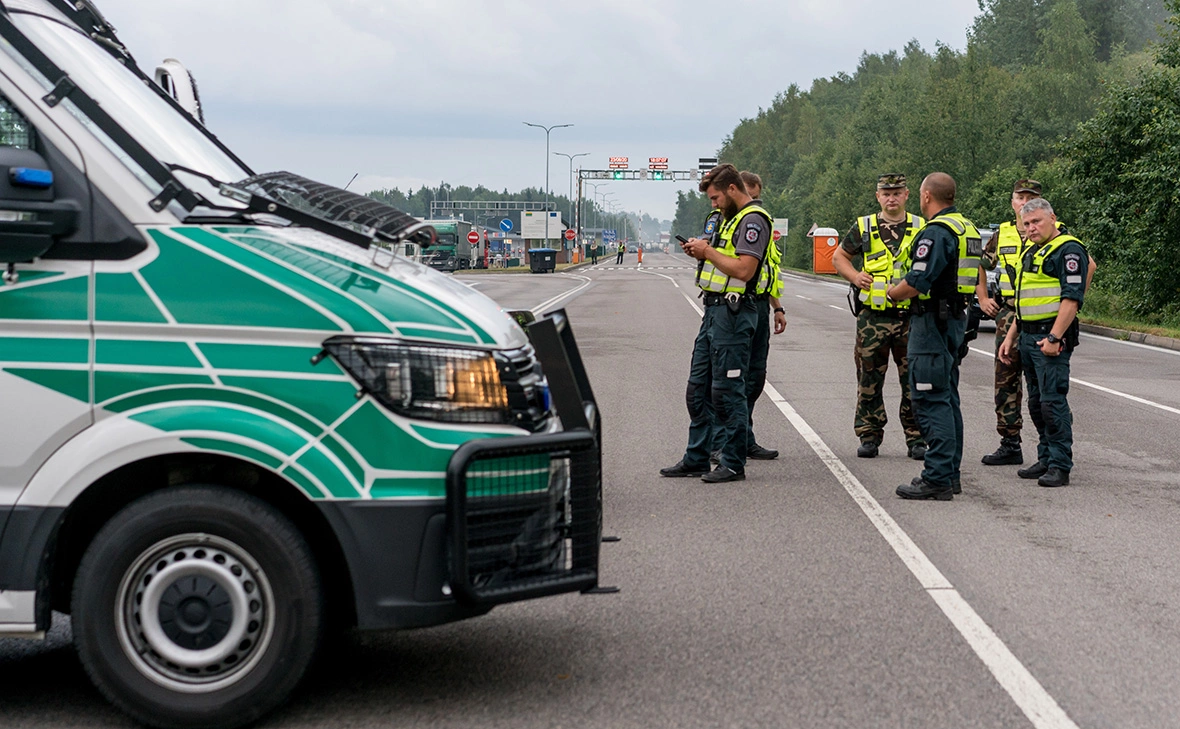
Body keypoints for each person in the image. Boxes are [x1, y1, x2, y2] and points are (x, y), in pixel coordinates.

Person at [660, 163, 771, 483]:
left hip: (734, 316)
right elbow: (721, 262)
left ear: (733, 190)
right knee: (698, 390)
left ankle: (733, 462)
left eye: (715, 198)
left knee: (727, 392)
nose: (714, 204)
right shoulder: (729, 219)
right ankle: (696, 457)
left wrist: (707, 251)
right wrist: (700, 252)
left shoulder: (754, 220)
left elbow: (745, 270)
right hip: (713, 313)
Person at [888, 173, 982, 500]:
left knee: (930, 400)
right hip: (955, 320)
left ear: (927, 196)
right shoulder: (966, 228)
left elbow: (918, 279)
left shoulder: (937, 232)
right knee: (947, 397)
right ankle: (949, 473)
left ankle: (938, 477)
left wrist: (892, 293)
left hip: (932, 323)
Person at [831, 173, 927, 461]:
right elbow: (839, 257)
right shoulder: (865, 226)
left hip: (911, 316)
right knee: (869, 379)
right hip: (873, 318)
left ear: (907, 195)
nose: (891, 198)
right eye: (886, 193)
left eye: (897, 192)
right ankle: (869, 435)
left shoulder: (921, 227)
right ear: (878, 197)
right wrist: (854, 276)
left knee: (913, 380)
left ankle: (916, 437)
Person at [998, 198, 1089, 487]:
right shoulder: (1033, 249)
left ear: (1052, 218)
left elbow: (1072, 297)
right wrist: (1011, 337)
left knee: (1052, 403)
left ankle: (1060, 465)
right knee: (1036, 403)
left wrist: (1054, 337)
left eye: (1036, 221)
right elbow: (1025, 300)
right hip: (1027, 336)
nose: (1031, 228)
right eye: (1026, 224)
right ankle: (1046, 456)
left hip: (1050, 340)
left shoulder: (1068, 249)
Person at [738, 170, 785, 461]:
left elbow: (767, 270)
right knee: (732, 378)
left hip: (760, 307)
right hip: (737, 307)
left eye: (757, 197)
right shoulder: (734, 223)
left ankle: (745, 436)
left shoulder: (759, 222)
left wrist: (777, 306)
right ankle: (727, 440)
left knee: (755, 376)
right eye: (750, 196)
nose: (755, 204)